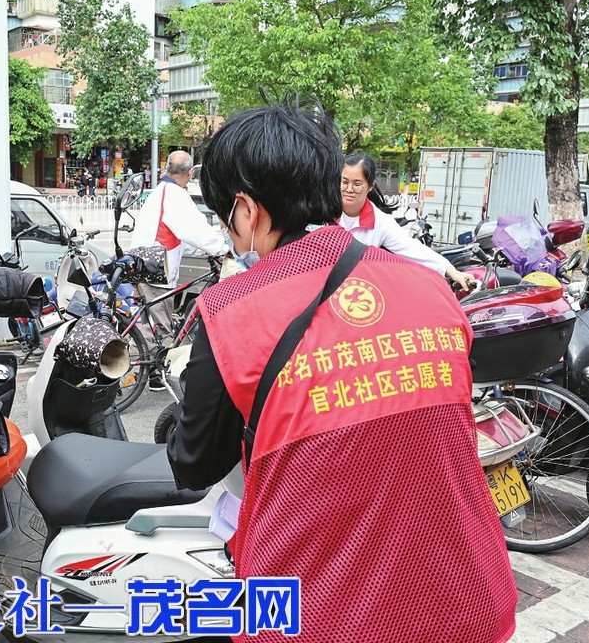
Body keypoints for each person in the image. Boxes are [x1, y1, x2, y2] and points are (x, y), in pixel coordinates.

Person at [166, 103, 517, 642]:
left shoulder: (231, 312)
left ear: (247, 209)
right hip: (470, 601)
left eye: (223, 216)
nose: (226, 230)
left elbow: (193, 465)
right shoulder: (431, 289)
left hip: (322, 618)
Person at [130, 150, 229, 390]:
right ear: (189, 173)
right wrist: (224, 247)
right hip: (156, 270)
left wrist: (207, 249)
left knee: (149, 325)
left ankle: (149, 371)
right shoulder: (176, 196)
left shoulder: (160, 192)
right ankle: (154, 375)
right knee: (161, 328)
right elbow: (196, 231)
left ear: (166, 169)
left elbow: (180, 238)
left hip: (144, 264)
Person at [341, 152, 476, 290]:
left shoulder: (380, 223)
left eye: (357, 184)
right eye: (344, 182)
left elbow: (412, 249)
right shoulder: (327, 213)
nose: (349, 189)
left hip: (356, 291)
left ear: (371, 186)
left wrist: (452, 271)